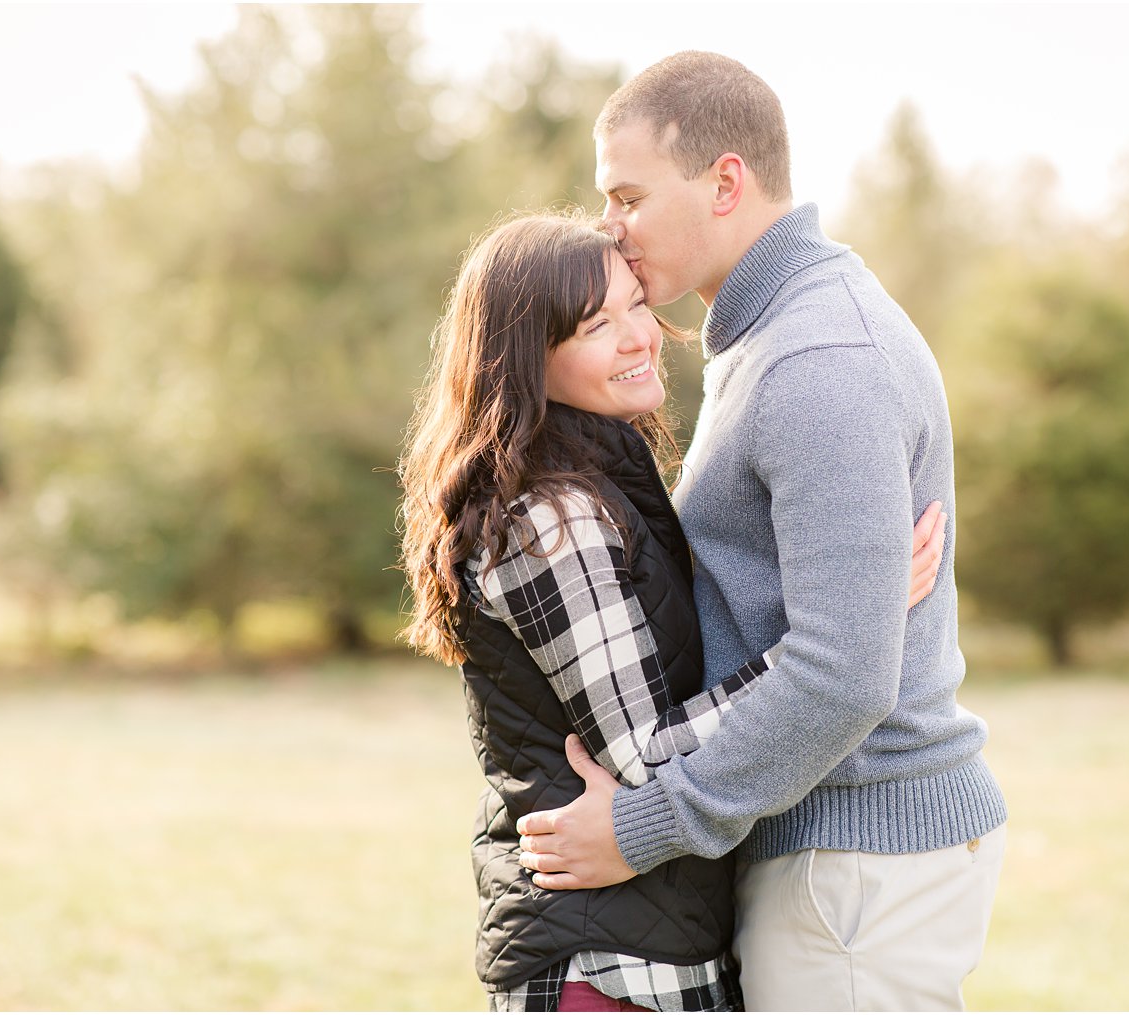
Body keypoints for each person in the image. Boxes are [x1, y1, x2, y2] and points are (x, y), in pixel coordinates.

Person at [513, 52, 1010, 1012]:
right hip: (829, 850)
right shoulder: (768, 334)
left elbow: (845, 671)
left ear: (725, 181)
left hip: (857, 857)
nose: (609, 229)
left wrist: (645, 825)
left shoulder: (817, 357)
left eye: (627, 196)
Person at [399, 211, 947, 1012]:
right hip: (607, 968)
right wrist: (846, 625)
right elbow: (644, 756)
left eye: (637, 306)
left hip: (646, 943)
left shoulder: (605, 486)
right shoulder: (551, 522)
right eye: (596, 325)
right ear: (527, 362)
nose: (640, 337)